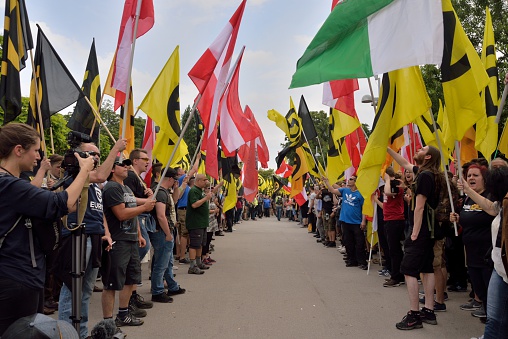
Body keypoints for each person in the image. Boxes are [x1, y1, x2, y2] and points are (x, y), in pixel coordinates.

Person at [0, 123, 95, 335]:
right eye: (35, 150)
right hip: (17, 277)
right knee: (20, 333)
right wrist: (85, 171)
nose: (38, 157)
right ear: (18, 150)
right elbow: (64, 204)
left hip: (16, 275)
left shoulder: (11, 184)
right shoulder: (10, 185)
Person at [57, 138, 127, 339]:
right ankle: (66, 334)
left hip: (94, 235)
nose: (96, 157)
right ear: (78, 156)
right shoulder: (76, 175)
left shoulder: (94, 182)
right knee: (72, 289)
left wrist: (105, 232)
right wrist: (115, 149)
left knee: (86, 289)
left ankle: (80, 332)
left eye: (98, 154)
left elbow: (99, 210)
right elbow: (101, 174)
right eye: (91, 153)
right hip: (77, 235)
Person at [388, 146, 443, 330]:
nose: (418, 149)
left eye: (422, 149)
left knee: (409, 270)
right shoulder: (427, 172)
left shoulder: (425, 176)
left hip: (422, 230)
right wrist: (386, 149)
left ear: (427, 156)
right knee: (426, 269)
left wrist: (415, 232)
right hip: (429, 230)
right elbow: (403, 162)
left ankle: (414, 315)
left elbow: (419, 207)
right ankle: (429, 310)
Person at [101, 158, 156, 327]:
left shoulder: (125, 188)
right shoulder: (112, 187)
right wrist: (145, 207)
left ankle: (123, 314)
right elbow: (122, 214)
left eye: (127, 165)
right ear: (112, 169)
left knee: (130, 280)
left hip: (131, 239)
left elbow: (135, 211)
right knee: (112, 283)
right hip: (118, 240)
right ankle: (108, 322)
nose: (126, 167)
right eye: (122, 165)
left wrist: (139, 234)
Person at [149, 167, 185, 303]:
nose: (176, 182)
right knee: (161, 263)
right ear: (170, 179)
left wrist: (176, 188)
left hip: (166, 230)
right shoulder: (160, 192)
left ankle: (172, 286)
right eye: (175, 180)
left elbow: (174, 201)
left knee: (167, 262)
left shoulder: (165, 191)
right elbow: (161, 215)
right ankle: (157, 291)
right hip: (162, 231)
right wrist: (168, 234)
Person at [323, 175, 366, 267]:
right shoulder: (345, 190)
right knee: (348, 242)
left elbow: (364, 209)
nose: (348, 181)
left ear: (355, 182)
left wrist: (363, 221)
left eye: (351, 179)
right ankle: (352, 260)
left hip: (356, 222)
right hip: (345, 221)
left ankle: (362, 261)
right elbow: (332, 190)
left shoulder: (360, 194)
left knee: (359, 243)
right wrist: (327, 182)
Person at [186, 174, 222, 274]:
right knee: (194, 245)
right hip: (195, 222)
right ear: (198, 181)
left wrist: (219, 185)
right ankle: (192, 266)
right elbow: (194, 205)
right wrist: (206, 199)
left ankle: (199, 262)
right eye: (204, 180)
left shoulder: (200, 191)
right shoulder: (193, 191)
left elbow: (210, 194)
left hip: (202, 222)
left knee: (200, 244)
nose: (206, 182)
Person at [382, 168, 406, 287]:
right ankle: (397, 274)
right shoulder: (390, 183)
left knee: (395, 250)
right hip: (388, 219)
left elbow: (388, 193)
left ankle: (397, 276)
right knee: (392, 249)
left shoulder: (395, 183)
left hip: (395, 219)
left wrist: (387, 180)